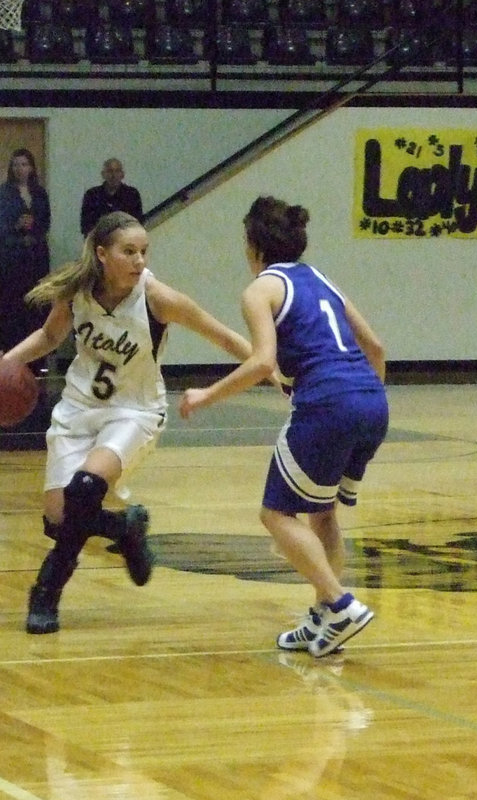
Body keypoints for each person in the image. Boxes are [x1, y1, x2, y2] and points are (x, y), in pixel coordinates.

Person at [0, 211, 252, 635]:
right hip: (79, 410)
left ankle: (45, 593)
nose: (139, 261)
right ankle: (125, 526)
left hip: (134, 412)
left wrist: (276, 369)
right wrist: (0, 364)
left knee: (85, 489)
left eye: (143, 252)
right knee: (57, 519)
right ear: (102, 254)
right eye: (129, 252)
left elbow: (224, 337)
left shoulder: (157, 298)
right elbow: (48, 338)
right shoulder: (78, 292)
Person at [180, 196, 388, 658]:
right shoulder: (320, 279)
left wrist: (205, 395)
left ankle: (338, 604)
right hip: (373, 402)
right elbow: (374, 346)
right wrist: (365, 397)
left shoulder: (259, 289)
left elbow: (262, 361)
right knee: (323, 512)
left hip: (328, 404)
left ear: (252, 245)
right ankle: (322, 621)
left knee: (275, 513)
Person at [0, 148, 51, 365]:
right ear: (11, 169)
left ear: (31, 167)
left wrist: (34, 225)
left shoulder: (40, 193)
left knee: (36, 304)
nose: (20, 169)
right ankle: (11, 355)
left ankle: (37, 358)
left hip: (35, 257)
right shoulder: (1, 194)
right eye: (16, 165)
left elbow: (46, 223)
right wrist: (15, 225)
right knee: (12, 306)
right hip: (11, 258)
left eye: (24, 164)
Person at [80, 158, 144, 236]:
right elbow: (86, 226)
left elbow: (138, 224)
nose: (113, 175)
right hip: (100, 241)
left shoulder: (132, 194)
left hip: (126, 241)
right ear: (103, 174)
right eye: (110, 171)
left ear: (122, 175)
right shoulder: (92, 195)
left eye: (117, 171)